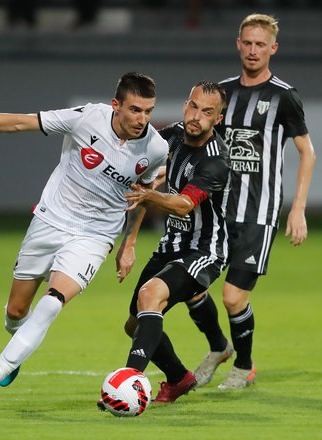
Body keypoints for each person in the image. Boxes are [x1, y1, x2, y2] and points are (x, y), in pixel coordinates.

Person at [0, 72, 168, 413]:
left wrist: (129, 243)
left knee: (51, 303)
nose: (142, 119)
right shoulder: (85, 119)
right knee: (16, 312)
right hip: (50, 221)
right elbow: (19, 123)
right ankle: (16, 349)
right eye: (135, 110)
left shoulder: (155, 147)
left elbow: (145, 194)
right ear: (116, 105)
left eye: (148, 111)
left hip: (95, 236)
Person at [185, 13, 316, 390]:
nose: (254, 50)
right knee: (190, 285)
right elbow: (200, 140)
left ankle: (243, 365)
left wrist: (298, 208)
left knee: (231, 297)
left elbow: (307, 152)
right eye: (248, 43)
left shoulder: (284, 96)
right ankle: (218, 348)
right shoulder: (221, 95)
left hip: (258, 213)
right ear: (238, 45)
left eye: (262, 44)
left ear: (273, 49)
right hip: (216, 210)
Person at [102, 80, 230, 406]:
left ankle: (128, 383)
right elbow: (144, 182)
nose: (196, 116)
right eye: (193, 106)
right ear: (186, 105)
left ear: (218, 118)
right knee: (134, 325)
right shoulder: (170, 135)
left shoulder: (215, 160)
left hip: (204, 249)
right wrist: (128, 245)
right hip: (172, 243)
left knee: (150, 294)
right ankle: (179, 378)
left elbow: (184, 204)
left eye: (207, 112)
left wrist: (149, 192)